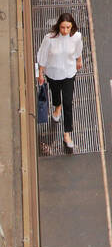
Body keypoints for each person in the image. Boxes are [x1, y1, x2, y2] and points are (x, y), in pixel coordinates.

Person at [37, 12, 83, 153]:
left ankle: (67, 133)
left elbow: (78, 50)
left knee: (68, 103)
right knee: (56, 95)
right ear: (59, 26)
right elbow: (43, 56)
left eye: (68, 27)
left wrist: (79, 60)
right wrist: (40, 73)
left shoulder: (76, 37)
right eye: (63, 27)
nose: (65, 31)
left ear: (72, 27)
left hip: (69, 73)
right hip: (53, 74)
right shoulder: (49, 38)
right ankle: (57, 108)